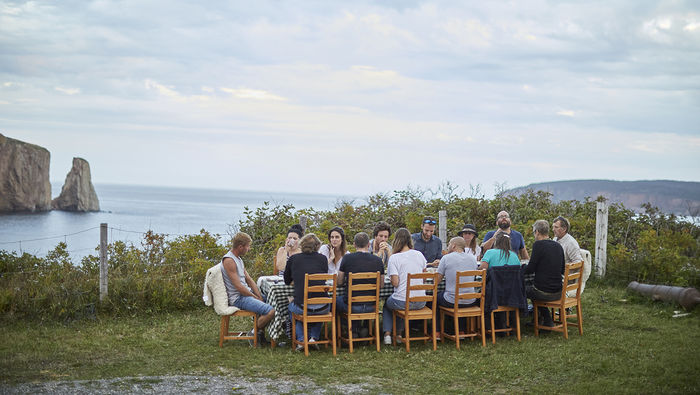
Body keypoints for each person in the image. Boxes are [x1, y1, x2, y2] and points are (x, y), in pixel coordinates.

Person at [221, 232, 275, 345]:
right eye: (248, 246)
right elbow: (239, 287)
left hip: (245, 294)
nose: (249, 249)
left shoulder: (238, 259)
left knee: (272, 301)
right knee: (270, 311)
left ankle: (260, 336)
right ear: (240, 247)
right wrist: (254, 297)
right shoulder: (229, 261)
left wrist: (259, 296)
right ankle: (254, 333)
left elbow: (249, 280)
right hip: (238, 298)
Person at [284, 233, 330, 351]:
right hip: (323, 307)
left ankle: (301, 339)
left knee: (292, 307)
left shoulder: (294, 259)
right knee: (319, 307)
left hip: (303, 307)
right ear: (317, 246)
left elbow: (286, 280)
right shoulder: (323, 259)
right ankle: (313, 338)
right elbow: (322, 277)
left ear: (301, 245)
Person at [383, 228, 428, 345]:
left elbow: (395, 283)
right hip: (421, 301)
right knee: (401, 300)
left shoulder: (394, 258)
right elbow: (424, 277)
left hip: (403, 301)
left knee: (389, 304)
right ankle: (398, 333)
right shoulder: (419, 255)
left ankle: (388, 334)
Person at [336, 232, 385, 337]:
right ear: (368, 244)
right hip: (372, 305)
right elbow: (381, 285)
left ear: (354, 245)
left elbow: (339, 282)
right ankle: (363, 328)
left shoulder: (347, 258)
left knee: (335, 302)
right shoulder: (377, 260)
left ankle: (350, 330)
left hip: (352, 306)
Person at [524, 220, 565, 327]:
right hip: (558, 291)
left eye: (534, 233)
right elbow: (562, 269)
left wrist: (520, 269)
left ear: (537, 232)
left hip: (544, 293)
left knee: (523, 288)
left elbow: (530, 269)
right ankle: (542, 319)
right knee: (535, 288)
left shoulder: (538, 245)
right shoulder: (558, 246)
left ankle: (539, 318)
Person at [435, 237, 479, 335]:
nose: (448, 247)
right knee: (461, 294)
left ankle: (437, 331)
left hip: (452, 301)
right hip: (471, 300)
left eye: (449, 244)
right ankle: (461, 330)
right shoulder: (472, 258)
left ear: (453, 245)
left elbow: (437, 281)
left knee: (436, 298)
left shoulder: (446, 258)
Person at [552, 215, 591, 295]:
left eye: (556, 227)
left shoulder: (571, 243)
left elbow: (578, 262)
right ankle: (541, 306)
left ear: (564, 229)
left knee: (539, 283)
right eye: (553, 227)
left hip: (565, 278)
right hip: (555, 274)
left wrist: (565, 270)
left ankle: (543, 304)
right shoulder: (555, 239)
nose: (553, 230)